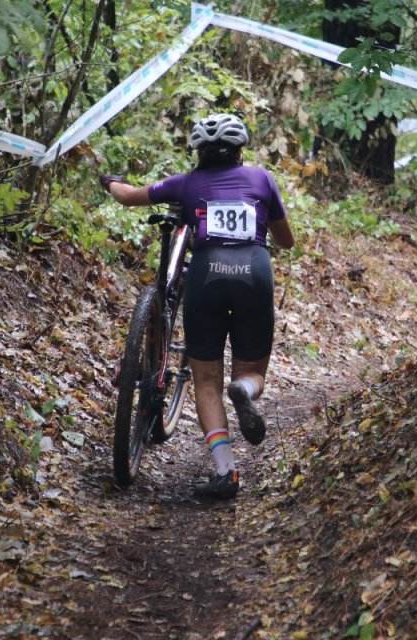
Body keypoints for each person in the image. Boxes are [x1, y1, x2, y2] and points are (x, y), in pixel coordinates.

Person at [100, 113, 296, 500]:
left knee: (206, 381)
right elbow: (286, 241)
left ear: (199, 152)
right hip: (254, 273)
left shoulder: (186, 183)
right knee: (252, 370)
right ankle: (242, 388)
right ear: (240, 150)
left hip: (206, 275)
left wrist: (110, 182)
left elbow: (126, 197)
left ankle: (226, 473)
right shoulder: (262, 179)